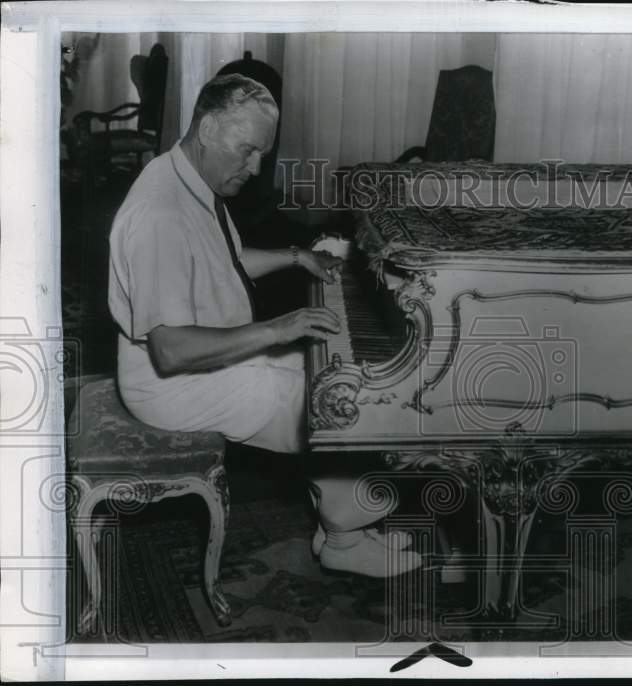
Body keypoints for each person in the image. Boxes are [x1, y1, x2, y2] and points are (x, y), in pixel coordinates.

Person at [108, 73, 421, 577]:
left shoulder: (188, 178)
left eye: (262, 153)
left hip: (204, 358)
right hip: (170, 385)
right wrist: (279, 329)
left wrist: (298, 256)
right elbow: (171, 351)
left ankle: (346, 522)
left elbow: (224, 261)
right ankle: (345, 534)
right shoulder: (159, 212)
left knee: (337, 371)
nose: (255, 168)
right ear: (209, 128)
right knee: (343, 397)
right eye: (247, 150)